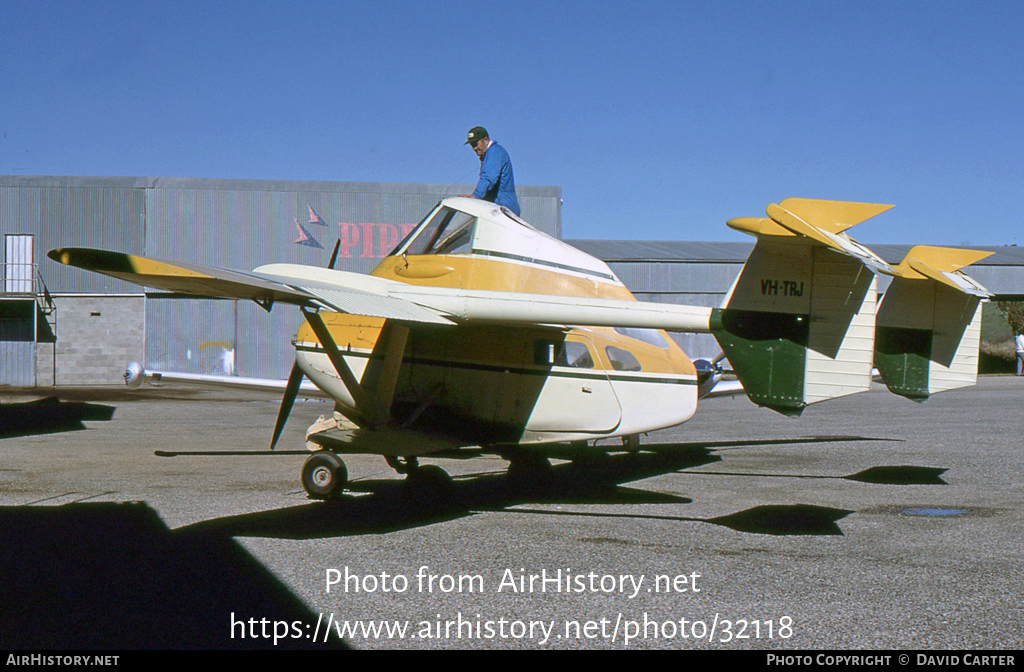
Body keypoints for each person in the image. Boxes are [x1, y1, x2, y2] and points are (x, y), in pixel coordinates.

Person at [464, 126, 520, 216]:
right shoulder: (491, 153)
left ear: (485, 140)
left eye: (476, 144)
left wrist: (475, 196)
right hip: (499, 206)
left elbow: (488, 178)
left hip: (502, 208)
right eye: (472, 145)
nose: (474, 148)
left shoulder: (494, 152)